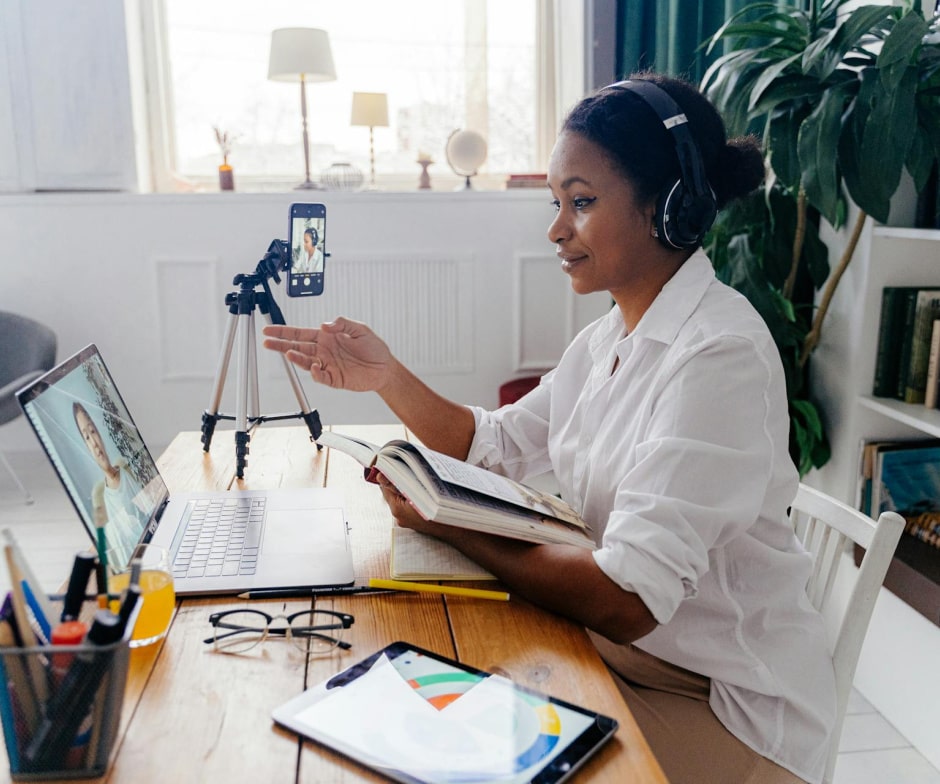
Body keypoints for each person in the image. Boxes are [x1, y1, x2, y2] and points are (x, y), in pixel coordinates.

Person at [263, 72, 836, 784]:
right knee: (421, 707)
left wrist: (452, 525)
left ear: (670, 209)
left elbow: (627, 600)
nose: (556, 228)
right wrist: (387, 377)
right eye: (557, 202)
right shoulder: (609, 340)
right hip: (624, 656)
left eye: (583, 202)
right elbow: (491, 446)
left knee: (461, 752)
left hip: (724, 705)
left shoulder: (718, 356)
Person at [73, 401, 146, 568]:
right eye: (86, 437)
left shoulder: (125, 466)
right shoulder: (100, 496)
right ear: (86, 446)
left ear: (99, 433)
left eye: (93, 431)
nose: (94, 443)